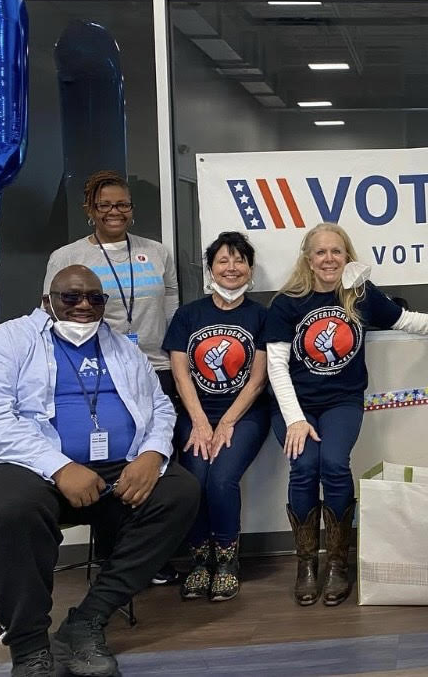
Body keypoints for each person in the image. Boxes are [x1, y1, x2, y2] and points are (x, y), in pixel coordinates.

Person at [0, 265, 199, 677]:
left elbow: (158, 406)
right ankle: (31, 651)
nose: (84, 305)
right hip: (17, 467)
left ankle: (86, 622)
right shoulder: (4, 342)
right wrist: (59, 466)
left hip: (110, 470)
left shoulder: (122, 347)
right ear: (46, 299)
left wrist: (152, 455)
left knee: (180, 492)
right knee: (12, 508)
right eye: (71, 297)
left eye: (95, 298)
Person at [265, 222, 428, 607]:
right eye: (321, 252)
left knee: (334, 464)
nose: (329, 259)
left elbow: (404, 320)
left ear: (347, 256)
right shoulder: (286, 303)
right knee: (305, 466)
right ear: (308, 257)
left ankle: (338, 563)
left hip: (342, 400)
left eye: (336, 252)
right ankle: (306, 564)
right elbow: (276, 365)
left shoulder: (359, 295)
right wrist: (295, 419)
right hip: (294, 406)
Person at [44, 169, 182, 586]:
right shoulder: (67, 257)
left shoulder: (157, 251)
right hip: (98, 374)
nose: (114, 212)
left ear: (132, 210)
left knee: (153, 462)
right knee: (109, 459)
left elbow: (172, 300)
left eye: (122, 204)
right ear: (91, 210)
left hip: (155, 367)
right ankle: (113, 557)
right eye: (105, 205)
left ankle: (150, 556)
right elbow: (54, 312)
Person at [162, 231, 269, 602]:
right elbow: (180, 373)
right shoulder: (188, 314)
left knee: (221, 478)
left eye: (239, 260)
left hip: (245, 416)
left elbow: (257, 382)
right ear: (210, 269)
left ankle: (226, 562)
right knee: (195, 480)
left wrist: (225, 422)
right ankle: (200, 561)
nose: (231, 268)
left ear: (250, 269)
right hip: (195, 413)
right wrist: (200, 421)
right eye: (223, 260)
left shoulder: (260, 316)